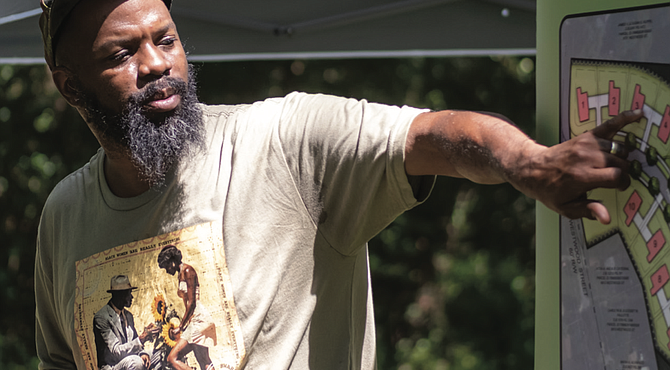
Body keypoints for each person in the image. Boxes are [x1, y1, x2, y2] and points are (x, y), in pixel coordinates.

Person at [33, 0, 642, 369]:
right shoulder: (64, 215)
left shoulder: (280, 141)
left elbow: (431, 134)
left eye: (165, 40)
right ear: (68, 83)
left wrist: (527, 164)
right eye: (121, 54)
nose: (157, 65)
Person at [157, 245, 216, 370]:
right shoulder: (181, 273)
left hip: (198, 319)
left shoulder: (188, 271)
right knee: (204, 361)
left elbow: (192, 302)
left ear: (172, 262)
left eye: (166, 265)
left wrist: (181, 327)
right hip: (194, 320)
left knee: (172, 359)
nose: (167, 270)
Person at [93, 275, 160, 370]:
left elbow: (134, 340)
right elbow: (116, 352)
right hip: (113, 366)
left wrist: (143, 353)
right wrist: (141, 340)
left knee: (160, 354)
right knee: (135, 362)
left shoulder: (128, 316)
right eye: (129, 293)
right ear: (120, 295)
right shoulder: (101, 318)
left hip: (130, 359)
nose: (132, 297)